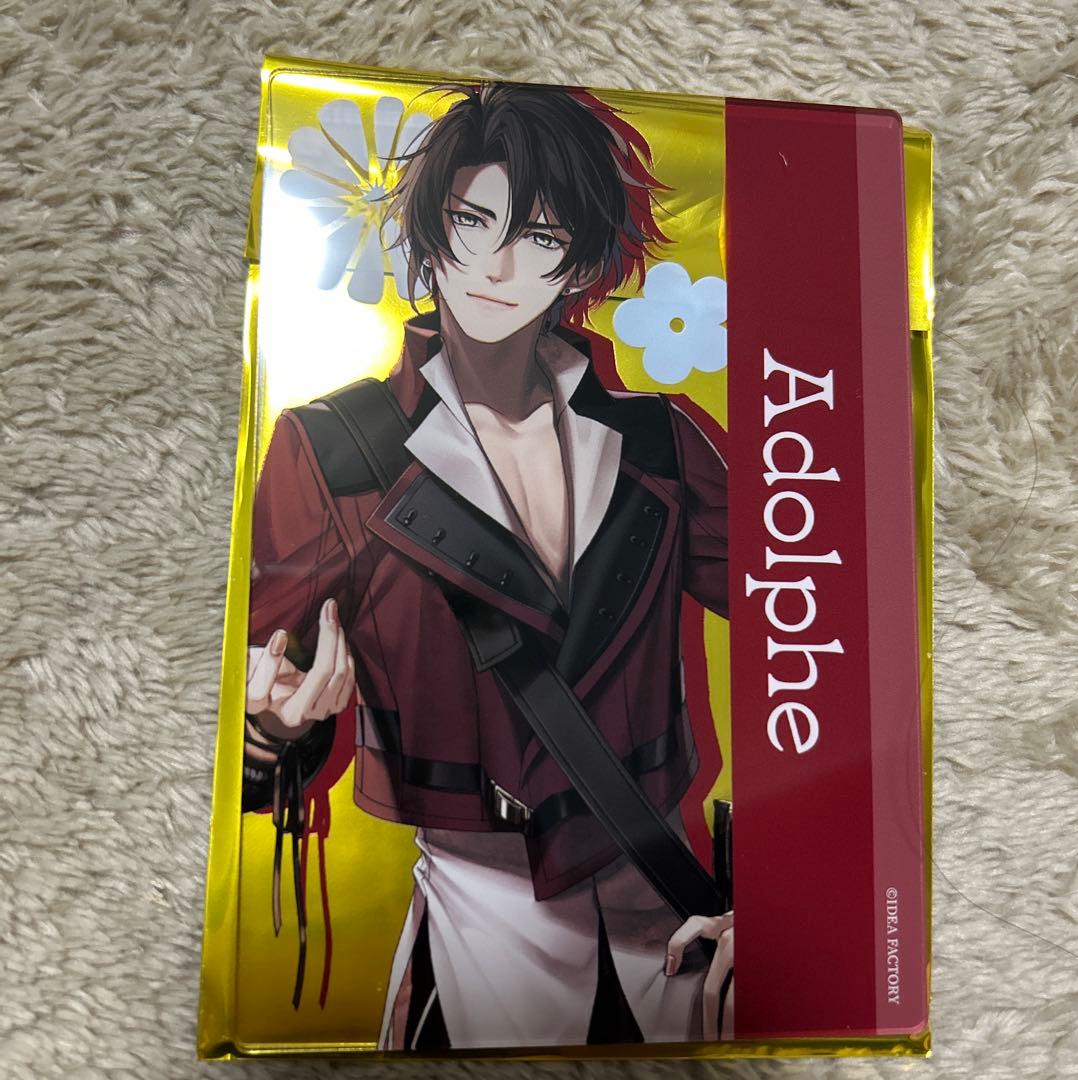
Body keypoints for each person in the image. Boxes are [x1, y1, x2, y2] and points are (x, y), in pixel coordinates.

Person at [241, 82, 733, 1050]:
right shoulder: (335, 449)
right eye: (474, 223)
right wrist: (270, 728)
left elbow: (819, 624)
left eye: (539, 237)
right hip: (480, 916)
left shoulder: (660, 442)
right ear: (433, 233)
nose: (499, 267)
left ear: (579, 262)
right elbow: (249, 707)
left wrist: (792, 901)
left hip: (672, 905)